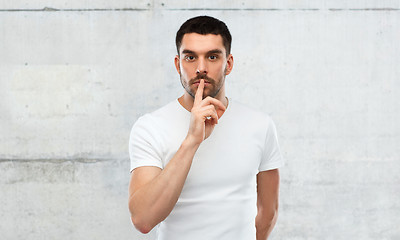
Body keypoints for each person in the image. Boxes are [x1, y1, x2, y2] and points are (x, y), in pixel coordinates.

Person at [128, 16, 283, 240]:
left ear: (228, 64)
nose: (201, 68)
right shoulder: (150, 126)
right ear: (177, 64)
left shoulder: (260, 124)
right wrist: (192, 141)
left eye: (212, 56)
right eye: (190, 57)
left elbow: (268, 212)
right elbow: (143, 219)